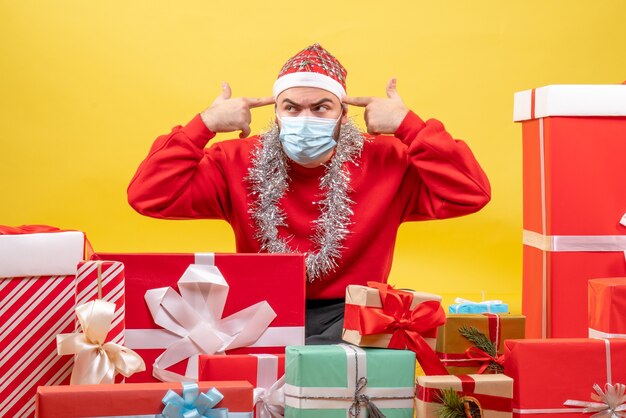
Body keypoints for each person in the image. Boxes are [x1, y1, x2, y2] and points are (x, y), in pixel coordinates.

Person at [127, 43, 491, 344]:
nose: (306, 118)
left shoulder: (386, 160)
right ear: (277, 114)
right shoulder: (237, 160)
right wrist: (204, 125)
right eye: (292, 108)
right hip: (260, 311)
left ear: (342, 115)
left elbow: (470, 192)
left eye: (320, 108)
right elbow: (148, 194)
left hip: (353, 314)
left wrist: (409, 126)